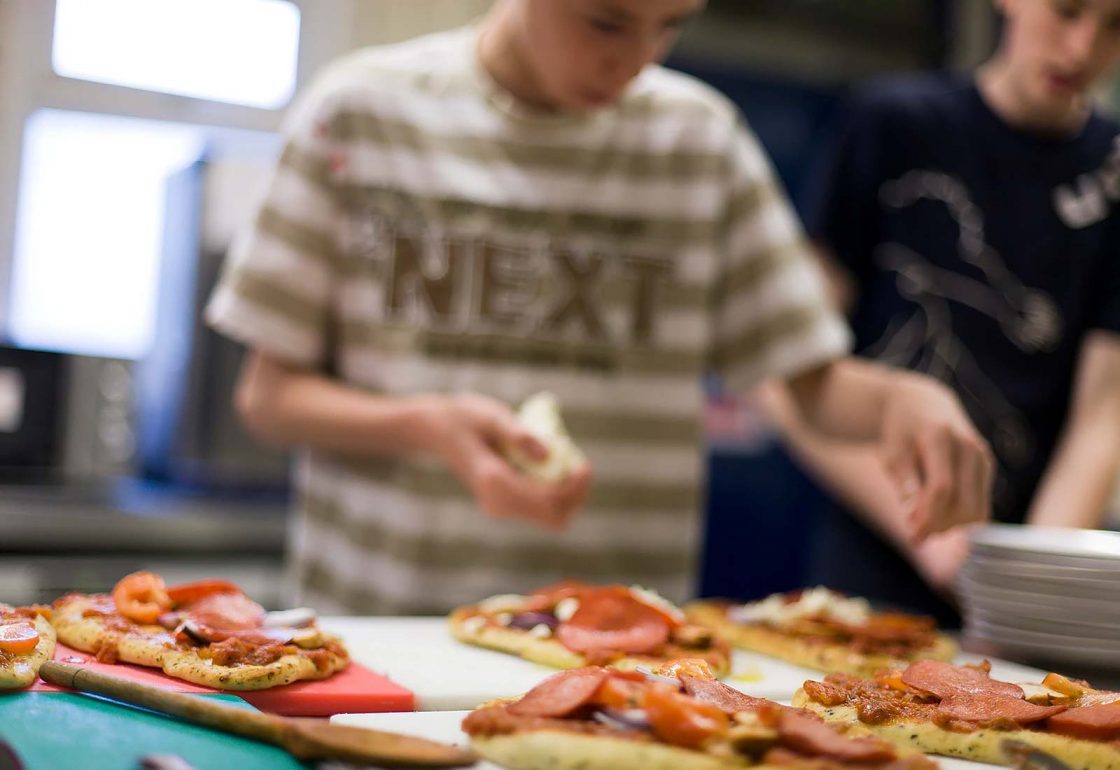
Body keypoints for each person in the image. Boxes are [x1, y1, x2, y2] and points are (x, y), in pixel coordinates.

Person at [205, 0, 992, 615]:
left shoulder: (700, 141)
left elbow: (803, 385)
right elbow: (268, 399)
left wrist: (904, 396)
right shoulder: (360, 113)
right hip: (385, 641)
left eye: (670, 25)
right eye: (607, 20)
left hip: (614, 656)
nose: (635, 60)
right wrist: (426, 425)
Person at [761, 0, 1120, 626]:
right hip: (872, 568)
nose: (1081, 49)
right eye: (1065, 13)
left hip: (1013, 568)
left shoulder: (1112, 171)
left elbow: (1104, 408)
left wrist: (1027, 584)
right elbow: (785, 370)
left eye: (1117, 25)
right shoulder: (893, 123)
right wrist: (932, 534)